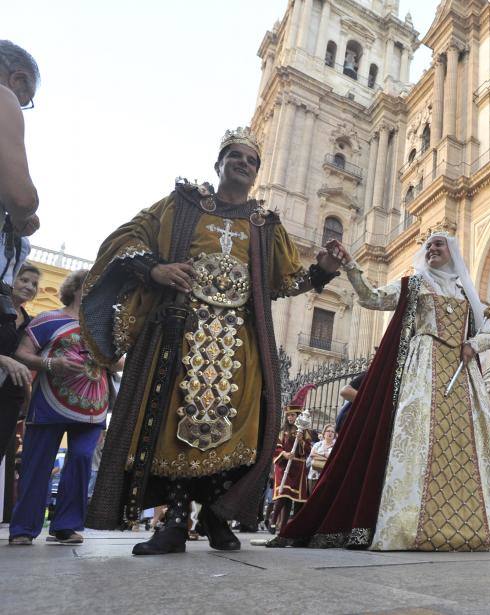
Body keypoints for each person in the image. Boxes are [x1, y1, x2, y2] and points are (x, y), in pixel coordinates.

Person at [81, 127, 341, 556]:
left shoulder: (264, 224)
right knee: (174, 426)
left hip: (241, 343)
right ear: (218, 163)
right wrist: (155, 269)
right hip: (180, 336)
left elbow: (287, 280)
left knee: (240, 428)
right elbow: (127, 238)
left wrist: (324, 269)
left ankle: (216, 516)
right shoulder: (181, 206)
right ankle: (175, 523)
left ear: (257, 173)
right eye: (234, 156)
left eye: (251, 160)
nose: (243, 163)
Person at [272, 232, 490, 551]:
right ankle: (407, 522)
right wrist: (350, 264)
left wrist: (474, 344)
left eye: (439, 244)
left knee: (461, 443)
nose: (432, 249)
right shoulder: (414, 284)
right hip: (423, 367)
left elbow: (487, 330)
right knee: (415, 440)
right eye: (428, 246)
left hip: (461, 374)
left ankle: (460, 523)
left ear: (452, 251)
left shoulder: (465, 292)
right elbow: (371, 297)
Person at [8, 270, 111, 545]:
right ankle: (23, 529)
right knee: (37, 465)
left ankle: (67, 525)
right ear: (76, 288)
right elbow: (21, 353)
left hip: (94, 406)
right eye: (91, 285)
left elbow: (117, 362)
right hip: (48, 405)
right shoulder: (48, 320)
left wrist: (113, 358)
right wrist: (54, 364)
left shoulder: (103, 326)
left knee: (80, 459)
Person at [0, 263, 39, 469]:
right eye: (24, 280)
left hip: (9, 398)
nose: (29, 286)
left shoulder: (30, 323)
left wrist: (28, 397)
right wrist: (3, 359)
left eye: (34, 284)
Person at [0, 41, 40, 234]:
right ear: (18, 80)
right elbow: (22, 200)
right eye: (24, 101)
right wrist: (22, 215)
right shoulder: (3, 96)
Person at [271, 387, 314, 533]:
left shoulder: (305, 432)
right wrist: (283, 453)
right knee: (283, 493)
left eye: (293, 415)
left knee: (290, 498)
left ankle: (283, 528)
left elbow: (308, 450)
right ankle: (272, 519)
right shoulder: (282, 431)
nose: (290, 418)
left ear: (298, 416)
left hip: (297, 466)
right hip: (284, 465)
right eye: (288, 415)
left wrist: (301, 442)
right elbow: (275, 447)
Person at [307, 423, 335, 493]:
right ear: (324, 433)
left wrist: (319, 454)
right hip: (314, 475)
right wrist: (325, 455)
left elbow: (334, 459)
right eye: (328, 431)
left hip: (328, 476)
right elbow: (312, 454)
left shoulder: (336, 447)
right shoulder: (318, 444)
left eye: (332, 432)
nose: (330, 433)